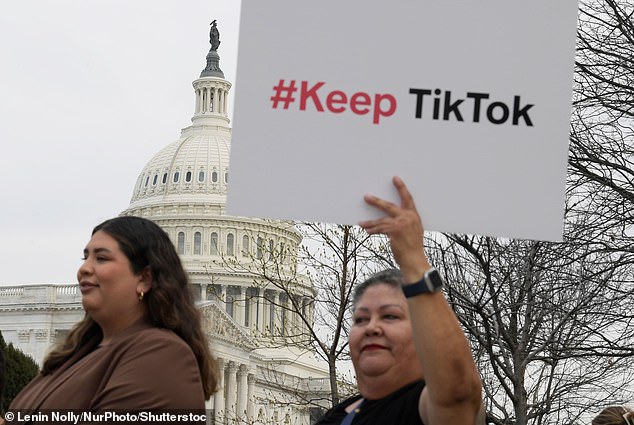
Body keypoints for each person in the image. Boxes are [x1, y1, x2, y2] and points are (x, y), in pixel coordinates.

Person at [1, 216, 217, 424]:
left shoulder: (163, 354)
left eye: (101, 258)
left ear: (144, 278)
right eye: (85, 257)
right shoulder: (76, 354)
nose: (83, 269)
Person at [316, 176, 482, 425]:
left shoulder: (423, 408)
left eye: (390, 315)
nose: (371, 327)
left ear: (424, 333)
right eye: (361, 319)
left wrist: (413, 259)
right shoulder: (339, 414)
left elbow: (457, 393)